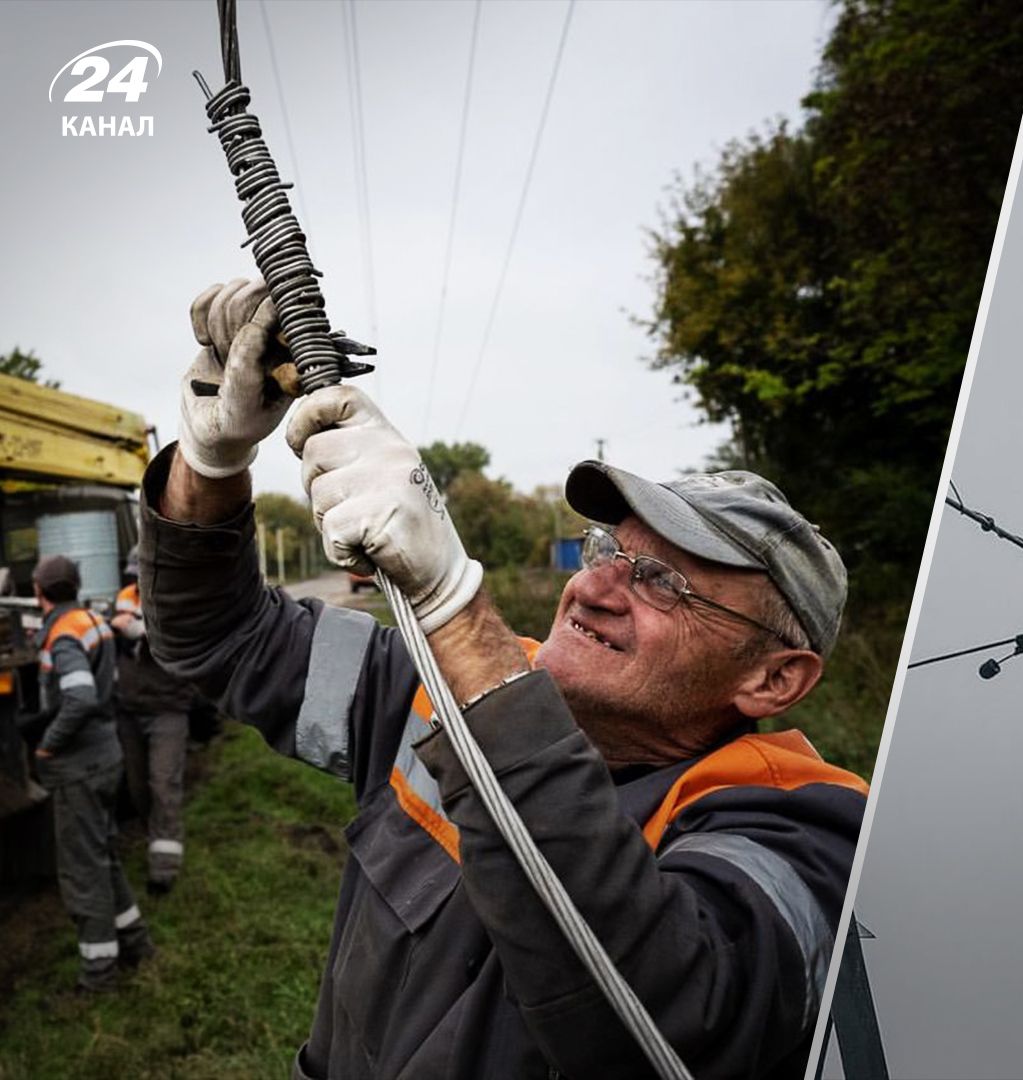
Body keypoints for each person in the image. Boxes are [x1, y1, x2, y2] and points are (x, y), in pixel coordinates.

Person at [144, 278, 868, 1077]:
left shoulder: (809, 837)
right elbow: (222, 637)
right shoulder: (429, 693)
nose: (594, 587)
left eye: (663, 580)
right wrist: (210, 460)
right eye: (605, 551)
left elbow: (665, 1021)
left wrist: (452, 604)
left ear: (774, 679)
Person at [26, 555, 154, 990]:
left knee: (83, 870)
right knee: (103, 855)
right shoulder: (88, 620)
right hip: (106, 754)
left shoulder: (62, 635)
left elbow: (78, 698)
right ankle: (135, 942)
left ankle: (99, 974)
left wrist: (47, 745)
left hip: (79, 765)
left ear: (40, 591)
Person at [111, 558, 197, 894]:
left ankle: (163, 870)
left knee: (163, 783)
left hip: (168, 709)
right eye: (135, 577)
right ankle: (155, 837)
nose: (138, 583)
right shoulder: (124, 597)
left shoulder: (176, 601)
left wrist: (140, 628)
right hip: (129, 708)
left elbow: (177, 632)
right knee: (137, 787)